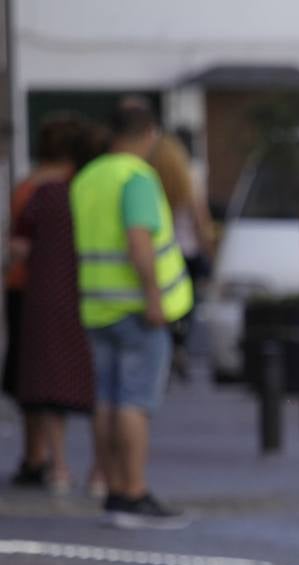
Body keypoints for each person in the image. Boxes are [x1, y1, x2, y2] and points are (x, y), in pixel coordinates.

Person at [71, 98, 194, 528]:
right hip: (138, 309)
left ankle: (110, 487)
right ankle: (133, 491)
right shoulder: (137, 177)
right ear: (150, 134)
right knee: (134, 403)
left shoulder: (87, 178)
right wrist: (154, 298)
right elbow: (139, 241)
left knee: (105, 401)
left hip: (97, 306)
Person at [5, 114, 102, 495]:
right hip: (83, 293)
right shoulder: (78, 189)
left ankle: (46, 460)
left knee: (39, 383)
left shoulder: (31, 189)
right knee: (93, 380)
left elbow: (18, 245)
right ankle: (96, 471)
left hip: (33, 294)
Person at [148, 130, 214, 382]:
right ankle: (179, 347)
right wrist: (208, 248)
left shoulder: (149, 177)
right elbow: (200, 219)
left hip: (159, 252)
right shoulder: (189, 177)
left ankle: (166, 354)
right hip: (187, 252)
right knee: (186, 307)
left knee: (161, 308)